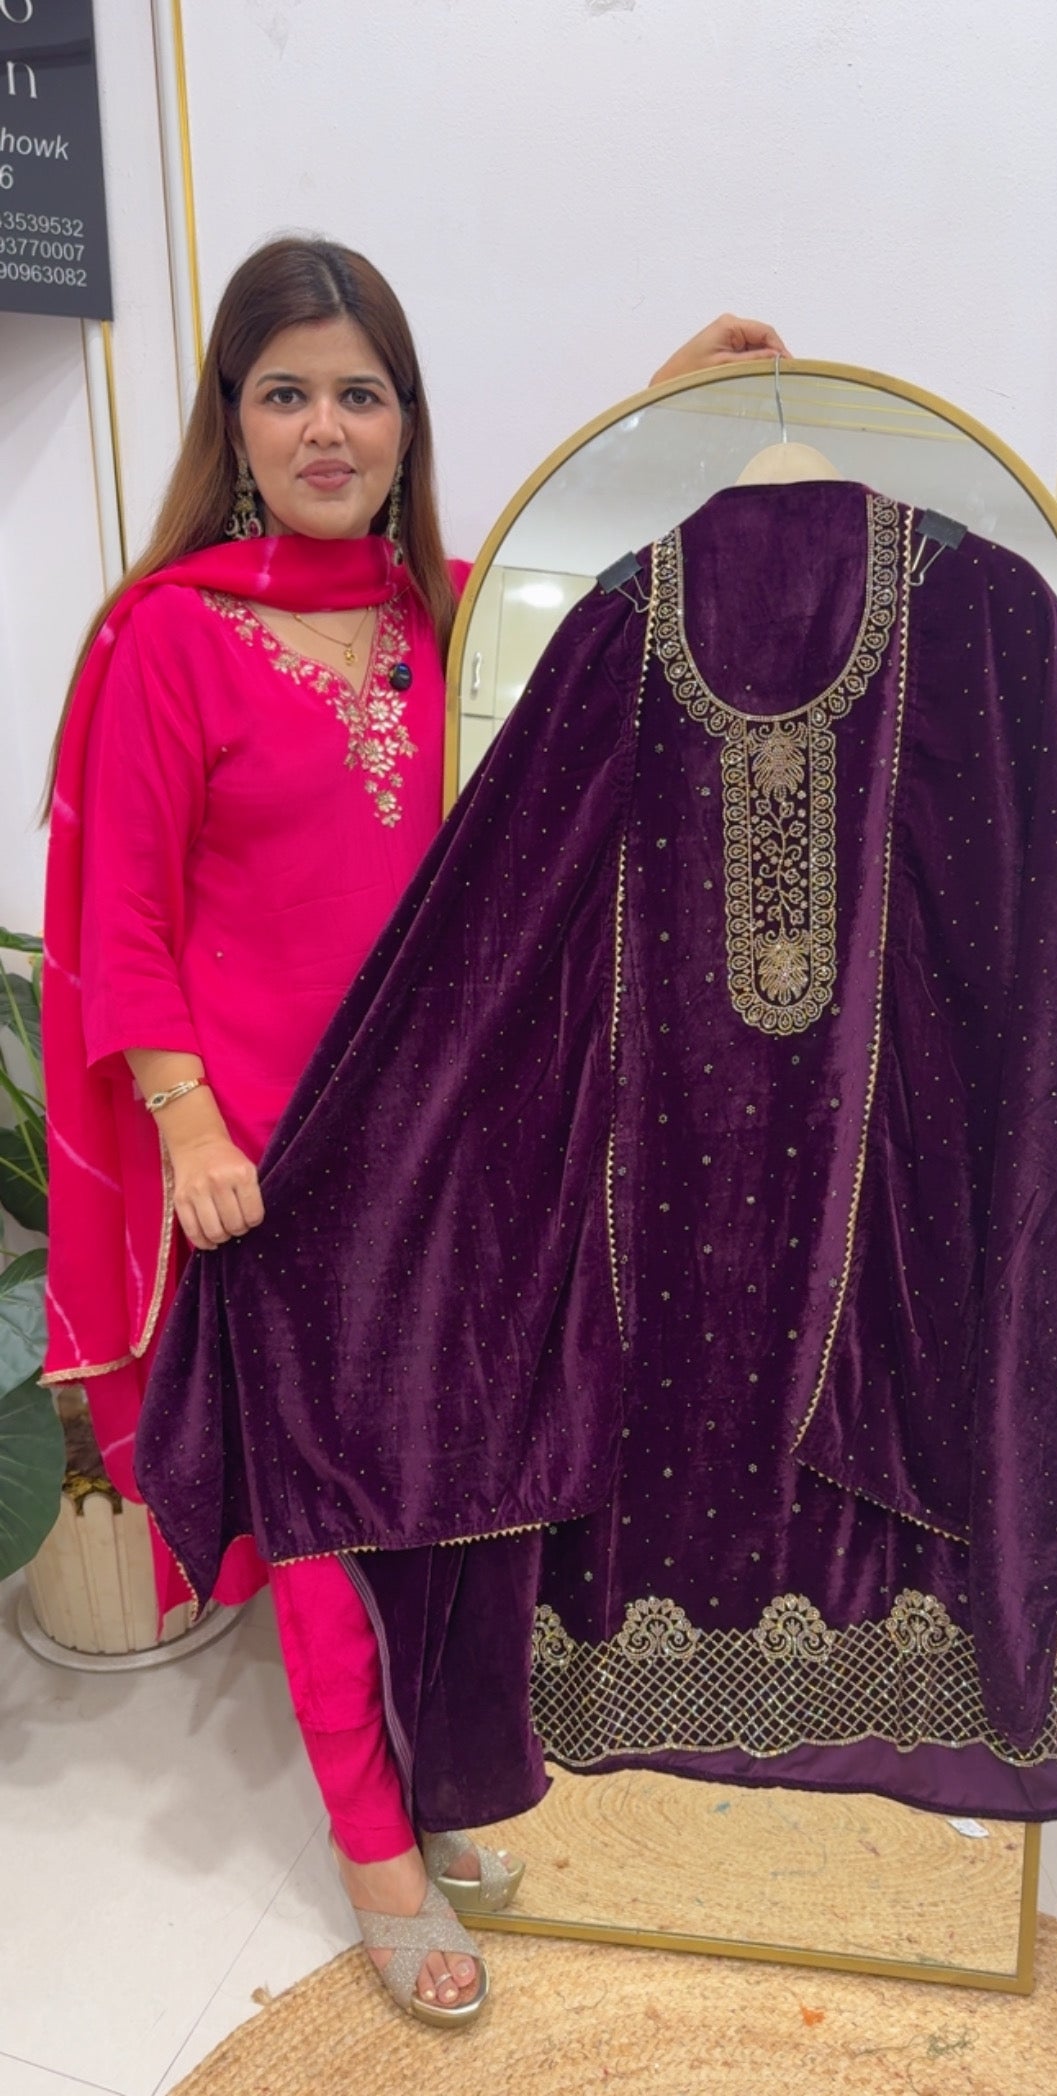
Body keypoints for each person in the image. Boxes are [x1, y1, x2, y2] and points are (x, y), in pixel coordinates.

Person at [40, 235, 786, 2028]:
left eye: (360, 393)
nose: (326, 427)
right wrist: (189, 1127)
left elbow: (592, 625)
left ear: (405, 421)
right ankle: (376, 1850)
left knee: (457, 1497)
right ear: (233, 422)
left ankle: (440, 1785)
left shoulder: (451, 614)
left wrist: (653, 426)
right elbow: (120, 916)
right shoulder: (169, 637)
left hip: (458, 1142)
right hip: (273, 1168)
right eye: (287, 392)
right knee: (325, 1510)